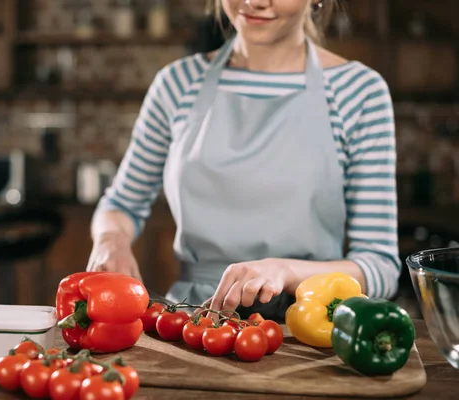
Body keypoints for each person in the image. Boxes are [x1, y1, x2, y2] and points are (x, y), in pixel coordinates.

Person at [86, 0, 400, 321]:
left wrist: (285, 271)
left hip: (308, 327)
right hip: (194, 320)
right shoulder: (177, 83)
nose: (254, 1)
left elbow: (380, 266)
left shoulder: (360, 92)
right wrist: (112, 240)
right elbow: (122, 204)